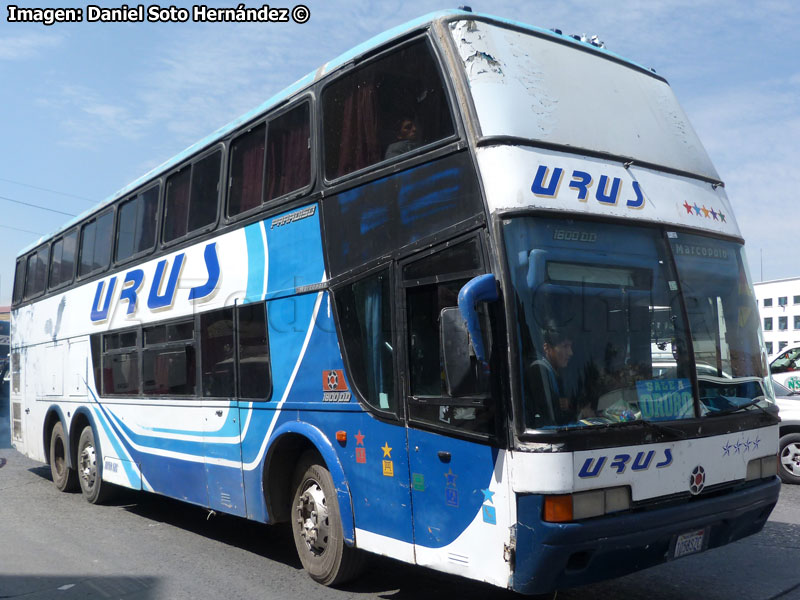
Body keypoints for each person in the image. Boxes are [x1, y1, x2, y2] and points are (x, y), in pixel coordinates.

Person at [527, 322, 574, 425]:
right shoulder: (538, 370)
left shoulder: (555, 372)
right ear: (547, 348)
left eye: (570, 346)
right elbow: (551, 416)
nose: (571, 352)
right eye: (565, 346)